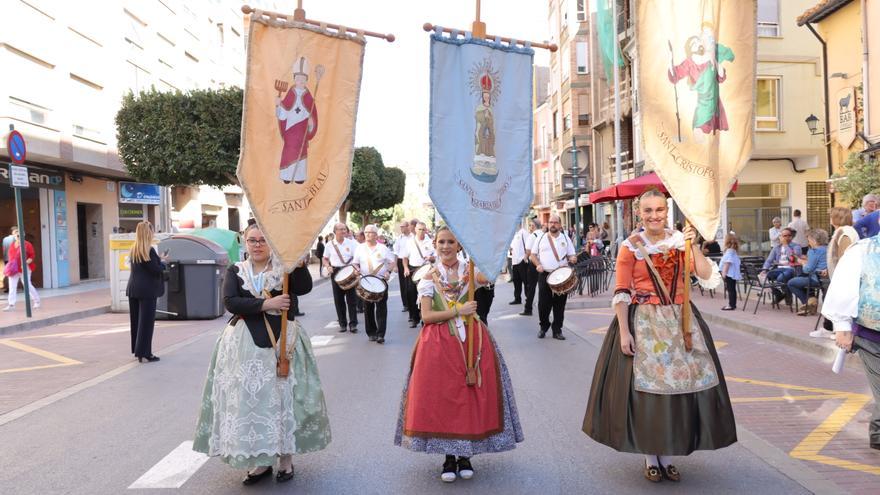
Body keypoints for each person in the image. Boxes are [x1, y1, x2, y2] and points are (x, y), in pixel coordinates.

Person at [583, 188, 735, 483]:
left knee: (680, 390)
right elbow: (621, 292)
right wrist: (625, 333)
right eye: (648, 210)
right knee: (648, 395)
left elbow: (705, 276)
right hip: (645, 323)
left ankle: (667, 456)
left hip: (681, 322)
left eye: (660, 210)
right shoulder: (630, 247)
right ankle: (651, 457)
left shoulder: (681, 242)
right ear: (639, 213)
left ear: (668, 212)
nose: (654, 216)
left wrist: (692, 246)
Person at [193, 223, 330, 485]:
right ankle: (260, 460)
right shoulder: (237, 270)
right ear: (245, 243)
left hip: (282, 342)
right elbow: (230, 302)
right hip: (244, 345)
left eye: (262, 240)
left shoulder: (284, 268)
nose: (257, 245)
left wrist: (299, 264)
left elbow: (303, 288)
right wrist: (268, 303)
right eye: (252, 240)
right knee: (251, 403)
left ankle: (286, 459)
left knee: (283, 399)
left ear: (271, 244)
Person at [394, 227, 523, 483]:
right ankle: (448, 457)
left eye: (451, 241)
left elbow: (492, 274)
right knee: (445, 399)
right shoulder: (429, 277)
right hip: (438, 345)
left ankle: (466, 455)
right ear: (435, 244)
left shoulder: (470, 270)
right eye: (441, 242)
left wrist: (483, 248)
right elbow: (427, 316)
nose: (445, 246)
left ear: (459, 244)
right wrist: (458, 310)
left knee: (470, 396)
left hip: (472, 342)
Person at [821, 212, 880, 451]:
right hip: (872, 335)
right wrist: (842, 327)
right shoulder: (862, 251)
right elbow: (844, 287)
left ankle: (877, 430)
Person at [529, 214, 577, 340]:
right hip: (545, 274)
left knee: (559, 304)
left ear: (560, 224)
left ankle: (557, 330)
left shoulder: (565, 238)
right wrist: (538, 265)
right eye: (551, 222)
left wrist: (573, 258)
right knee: (543, 304)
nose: (553, 225)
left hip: (561, 275)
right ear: (548, 224)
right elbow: (533, 255)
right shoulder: (541, 238)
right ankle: (543, 327)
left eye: (555, 222)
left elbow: (572, 255)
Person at [125, 222, 166, 362]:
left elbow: (147, 267)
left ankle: (137, 350)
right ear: (148, 233)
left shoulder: (134, 249)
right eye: (152, 231)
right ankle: (145, 353)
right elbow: (156, 269)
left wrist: (158, 260)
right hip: (147, 291)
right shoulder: (149, 250)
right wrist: (163, 262)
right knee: (147, 323)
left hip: (133, 289)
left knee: (136, 321)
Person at [353, 224, 394, 344]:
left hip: (381, 281)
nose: (367, 234)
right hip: (366, 282)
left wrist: (388, 271)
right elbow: (355, 263)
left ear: (376, 235)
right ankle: (371, 332)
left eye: (370, 232)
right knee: (368, 308)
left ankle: (381, 334)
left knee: (381, 308)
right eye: (366, 232)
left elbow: (392, 262)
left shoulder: (383, 248)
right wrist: (357, 269)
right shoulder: (360, 248)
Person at [323, 223, 359, 333]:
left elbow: (357, 258)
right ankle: (342, 324)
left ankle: (353, 324)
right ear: (335, 231)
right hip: (336, 271)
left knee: (351, 299)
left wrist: (357, 268)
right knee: (338, 300)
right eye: (341, 229)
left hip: (349, 271)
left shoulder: (352, 243)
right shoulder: (329, 245)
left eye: (344, 229)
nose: (344, 231)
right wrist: (328, 266)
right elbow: (325, 259)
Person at [401, 222, 436, 328]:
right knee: (411, 294)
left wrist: (431, 258)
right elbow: (405, 257)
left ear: (426, 230)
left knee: (424, 294)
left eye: (423, 229)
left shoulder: (430, 242)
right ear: (415, 230)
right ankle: (414, 318)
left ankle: (424, 317)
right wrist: (406, 268)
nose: (421, 231)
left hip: (426, 270)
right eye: (419, 229)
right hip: (412, 269)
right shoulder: (409, 242)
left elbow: (435, 257)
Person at [788, 229, 829, 318]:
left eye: (809, 240)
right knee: (802, 278)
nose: (808, 242)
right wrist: (805, 260)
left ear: (814, 240)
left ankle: (808, 303)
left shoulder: (814, 251)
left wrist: (802, 262)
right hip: (826, 279)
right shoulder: (828, 248)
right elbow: (817, 262)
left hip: (816, 279)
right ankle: (811, 300)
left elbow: (807, 269)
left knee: (792, 283)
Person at [761, 227, 803, 307]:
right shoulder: (777, 247)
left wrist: (786, 245)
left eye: (788, 235)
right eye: (783, 235)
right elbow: (769, 260)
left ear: (791, 236)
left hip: (791, 268)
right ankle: (779, 294)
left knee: (781, 278)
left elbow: (793, 258)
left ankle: (788, 295)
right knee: (762, 277)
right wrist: (764, 269)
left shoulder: (796, 246)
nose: (786, 237)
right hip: (779, 269)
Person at [3, 228, 40, 311]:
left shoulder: (27, 244)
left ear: (23, 234)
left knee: (27, 285)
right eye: (16, 232)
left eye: (20, 232)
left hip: (25, 268)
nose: (18, 234)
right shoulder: (12, 245)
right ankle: (11, 304)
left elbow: (32, 256)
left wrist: (25, 263)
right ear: (13, 235)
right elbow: (11, 257)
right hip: (14, 269)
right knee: (12, 286)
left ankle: (37, 301)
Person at [827, 207, 859, 279]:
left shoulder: (845, 232)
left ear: (837, 218)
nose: (830, 218)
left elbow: (844, 257)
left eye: (831, 216)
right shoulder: (843, 230)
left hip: (844, 277)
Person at [520, 218, 541, 316]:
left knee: (531, 287)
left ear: (533, 226)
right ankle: (543, 306)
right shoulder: (544, 234)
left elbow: (528, 251)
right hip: (543, 264)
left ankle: (528, 309)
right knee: (543, 287)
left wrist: (525, 258)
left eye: (530, 225)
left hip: (533, 263)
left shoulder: (532, 236)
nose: (530, 227)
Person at [508, 221, 532, 305]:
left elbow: (528, 246)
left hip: (522, 261)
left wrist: (525, 257)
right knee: (516, 281)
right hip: (514, 261)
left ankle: (528, 298)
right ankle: (517, 298)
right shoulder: (514, 235)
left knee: (526, 281)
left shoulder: (524, 233)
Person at [393, 221, 412, 313]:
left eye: (403, 226)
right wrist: (395, 265)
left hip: (411, 261)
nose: (401, 228)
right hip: (401, 261)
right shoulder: (399, 238)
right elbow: (396, 253)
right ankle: (405, 304)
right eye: (400, 227)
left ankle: (413, 303)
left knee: (411, 284)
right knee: (403, 284)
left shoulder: (413, 237)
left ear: (408, 226)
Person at [720, 234, 741, 311]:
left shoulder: (729, 252)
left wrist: (724, 273)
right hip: (732, 273)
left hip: (729, 274)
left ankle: (731, 305)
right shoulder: (733, 251)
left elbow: (727, 263)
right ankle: (733, 304)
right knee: (732, 289)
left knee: (730, 289)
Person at [2, 226, 16, 294]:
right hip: (15, 259)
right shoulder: (16, 238)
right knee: (19, 272)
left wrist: (5, 257)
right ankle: (21, 287)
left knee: (9, 273)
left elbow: (4, 250)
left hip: (7, 258)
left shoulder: (5, 239)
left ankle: (8, 288)